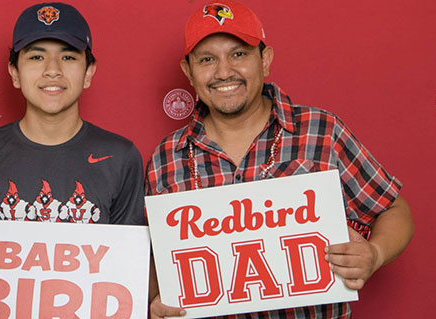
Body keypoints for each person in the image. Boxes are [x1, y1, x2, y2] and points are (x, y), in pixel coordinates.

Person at [145, 1, 414, 318]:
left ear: (265, 60)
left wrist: (375, 252)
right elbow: (155, 260)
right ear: (188, 72)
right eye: (207, 59)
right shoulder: (167, 157)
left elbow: (394, 210)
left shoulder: (321, 132)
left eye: (239, 54)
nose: (224, 71)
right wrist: (156, 303)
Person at [0, 2, 145, 226]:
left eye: (68, 57)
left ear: (88, 73)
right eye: (36, 57)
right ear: (14, 72)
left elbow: (126, 257)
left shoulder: (121, 157)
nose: (52, 70)